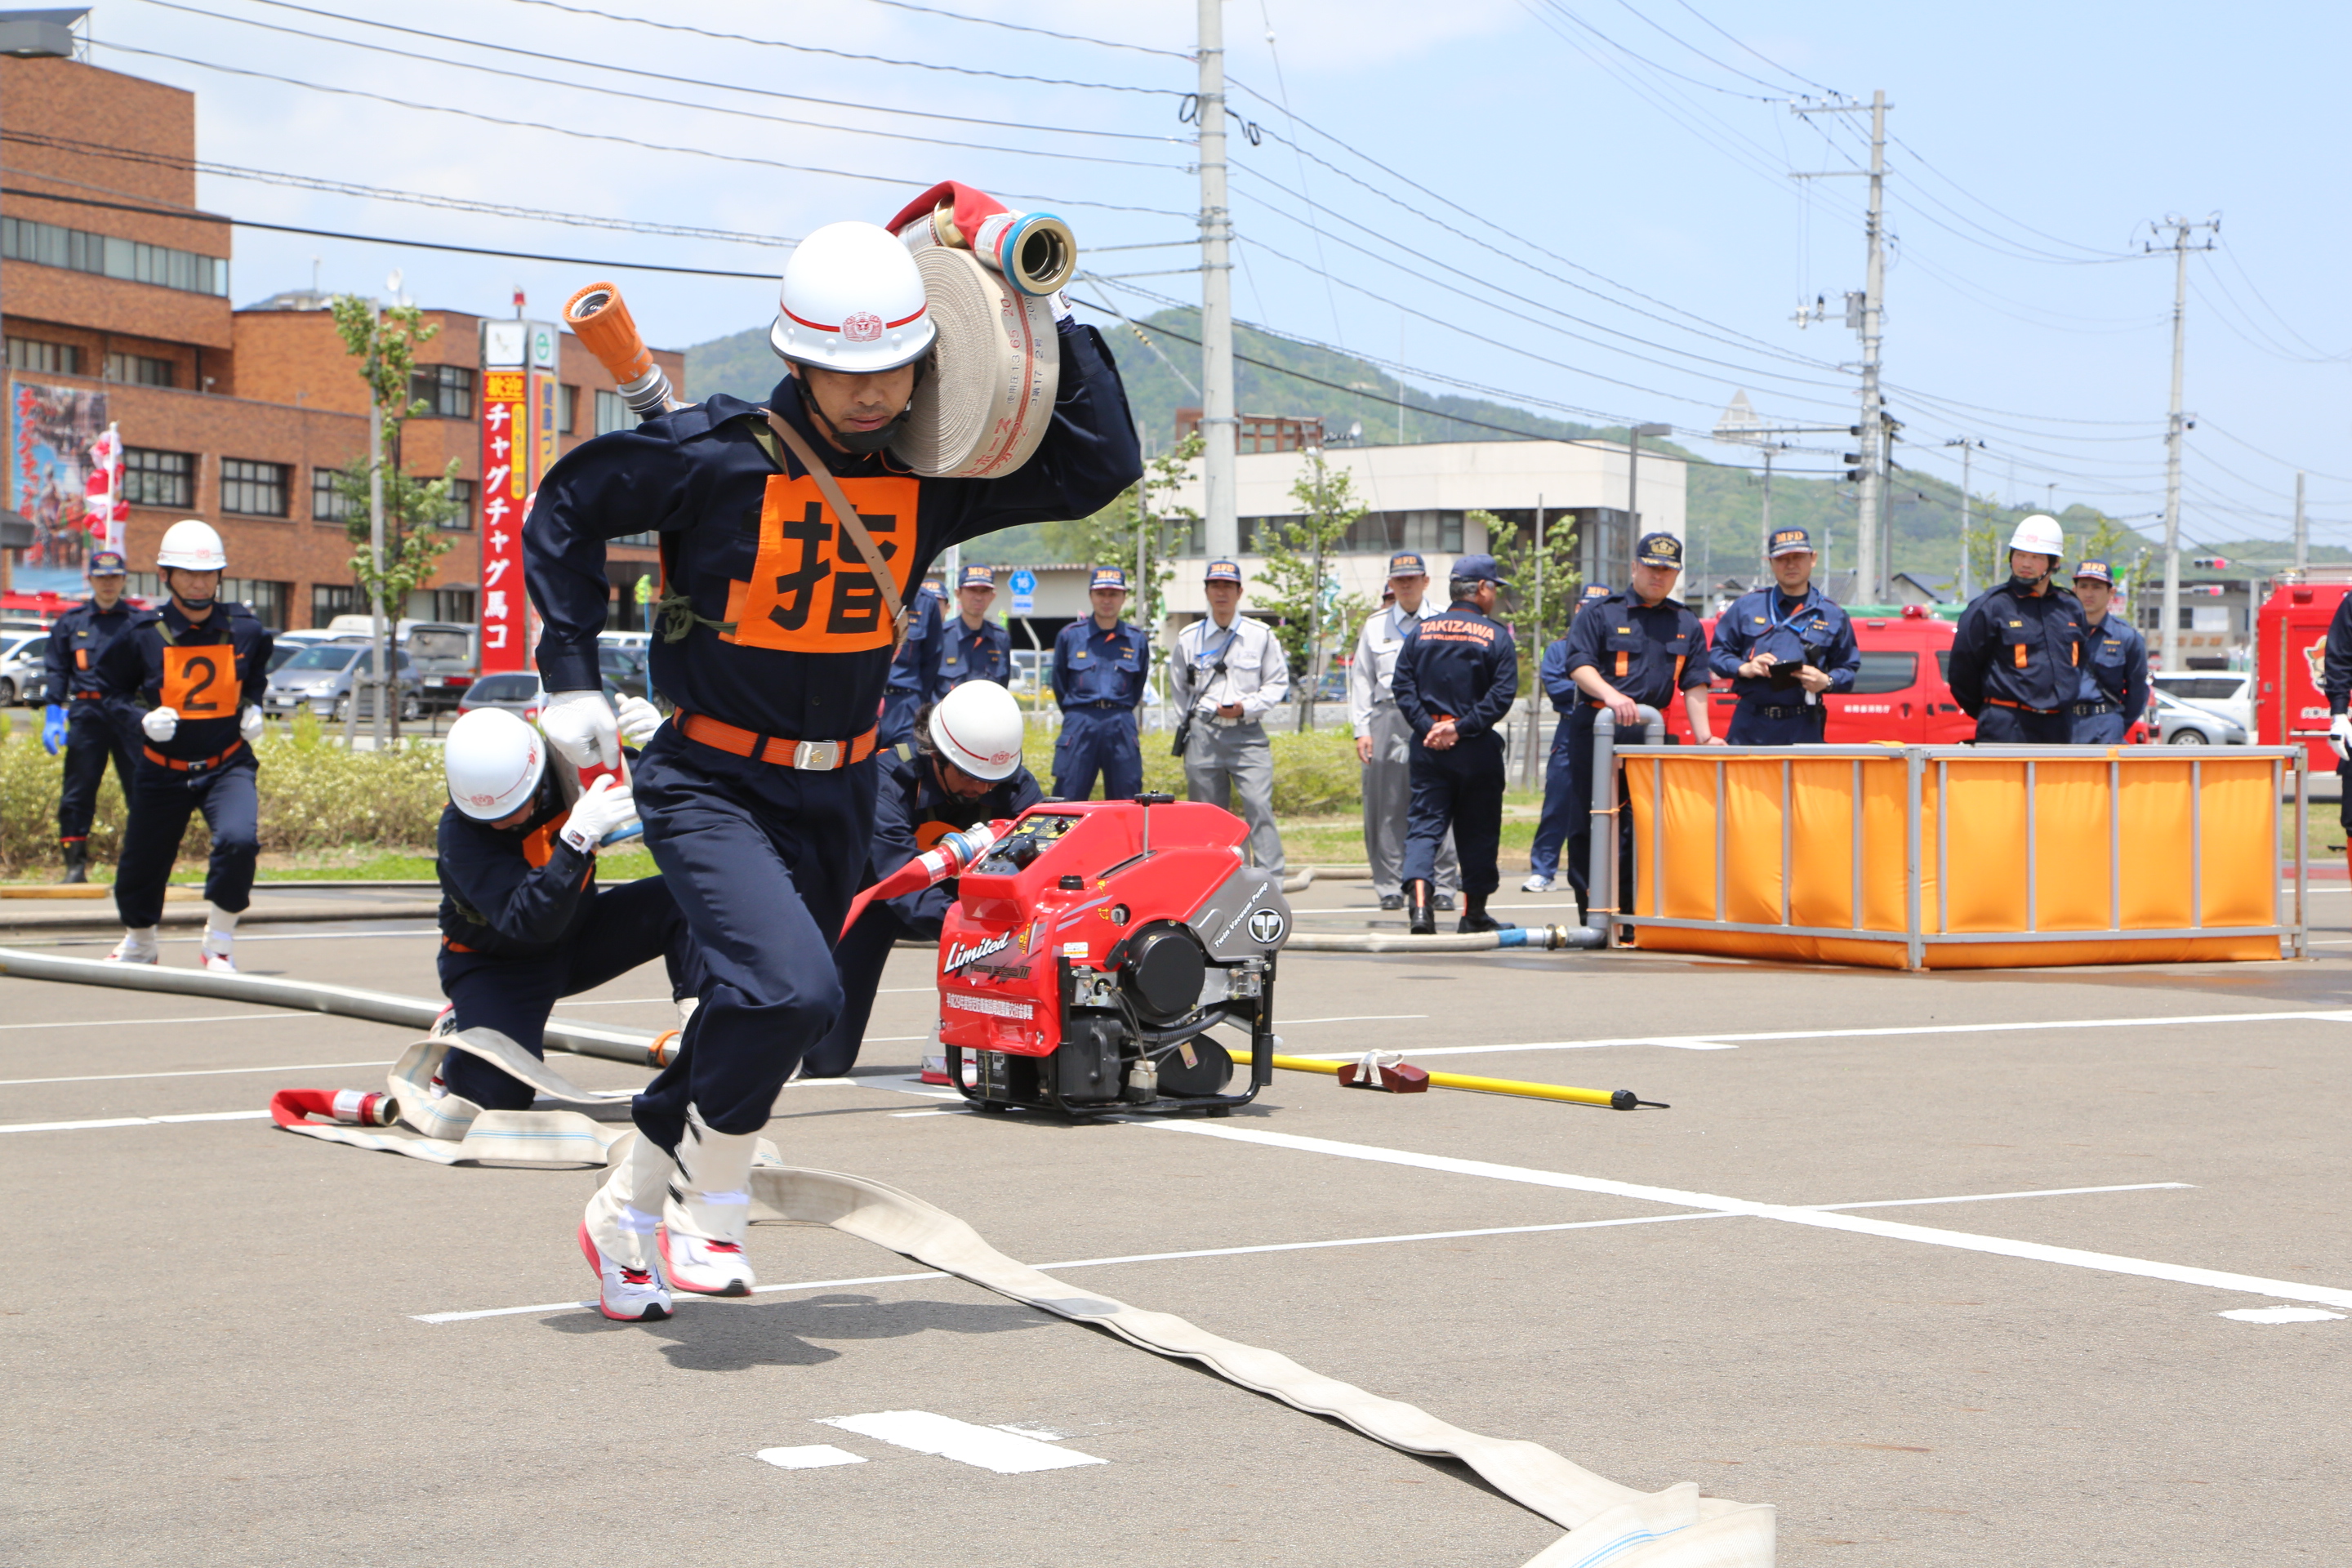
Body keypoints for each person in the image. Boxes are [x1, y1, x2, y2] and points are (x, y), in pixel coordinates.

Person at [532, 215, 1140, 1305]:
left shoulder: (936, 473)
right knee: (792, 987)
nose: (871, 395)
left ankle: (623, 1206)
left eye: (895, 369)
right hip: (711, 777)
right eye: (844, 371)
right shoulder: (711, 453)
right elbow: (567, 507)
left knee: (773, 1009)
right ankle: (708, 1204)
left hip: (840, 786)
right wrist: (569, 671)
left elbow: (1101, 463)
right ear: (795, 357)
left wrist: (1032, 299)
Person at [810, 681, 1044, 1081]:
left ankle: (977, 1040)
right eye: (972, 776)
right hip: (875, 902)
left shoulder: (1013, 784)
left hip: (969, 911)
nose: (983, 789)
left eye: (993, 779)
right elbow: (900, 881)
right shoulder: (887, 780)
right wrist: (967, 931)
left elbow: (1038, 868)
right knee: (825, 1060)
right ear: (937, 755)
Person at [95, 521, 272, 970]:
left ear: (221, 576)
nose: (199, 582)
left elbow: (255, 677)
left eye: (209, 573)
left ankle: (219, 943)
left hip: (226, 763)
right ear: (165, 576)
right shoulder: (140, 633)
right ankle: (139, 941)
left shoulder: (245, 630)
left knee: (239, 841)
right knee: (142, 861)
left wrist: (253, 707)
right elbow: (110, 693)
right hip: (161, 766)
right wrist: (141, 720)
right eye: (188, 573)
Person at [1556, 532, 1720, 920]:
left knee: (1642, 825)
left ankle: (1631, 914)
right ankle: (1590, 912)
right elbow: (1578, 663)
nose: (1658, 576)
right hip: (1598, 729)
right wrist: (1611, 696)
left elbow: (1694, 681)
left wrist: (1705, 735)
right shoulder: (1601, 613)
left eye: (1667, 570)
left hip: (1650, 736)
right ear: (1634, 567)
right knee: (1589, 820)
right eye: (1651, 567)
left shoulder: (1685, 621)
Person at [1392, 555, 1520, 935]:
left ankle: (1420, 911)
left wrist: (1430, 727)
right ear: (1481, 588)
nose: (1494, 595)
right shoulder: (1496, 635)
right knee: (1478, 831)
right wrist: (1461, 728)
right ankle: (1474, 914)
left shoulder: (1421, 631)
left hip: (1428, 748)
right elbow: (1501, 696)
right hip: (1476, 749)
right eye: (1493, 587)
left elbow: (1403, 685)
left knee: (1423, 828)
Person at [1348, 550, 1458, 911]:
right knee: (1388, 807)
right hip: (1389, 717)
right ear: (1391, 584)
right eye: (1400, 579)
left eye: (1413, 578)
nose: (1407, 585)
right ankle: (1391, 885)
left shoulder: (1446, 620)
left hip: (1436, 719)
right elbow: (1361, 680)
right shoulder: (1376, 625)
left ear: (1426, 581)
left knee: (1439, 802)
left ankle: (1443, 884)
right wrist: (1362, 729)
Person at [1169, 559, 1288, 876]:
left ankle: (1271, 881)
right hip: (1204, 737)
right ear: (1206, 591)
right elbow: (1178, 688)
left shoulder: (1260, 635)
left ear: (1240, 592)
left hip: (1248, 734)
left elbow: (1277, 682)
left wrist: (1247, 707)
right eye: (1215, 586)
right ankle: (1212, 881)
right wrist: (1198, 721)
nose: (1221, 592)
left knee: (1259, 808)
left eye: (1228, 586)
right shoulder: (1188, 638)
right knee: (1207, 816)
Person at [42, 549, 140, 884]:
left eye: (115, 577)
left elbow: (158, 671)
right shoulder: (72, 622)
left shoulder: (140, 622)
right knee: (78, 791)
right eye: (102, 577)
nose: (108, 584)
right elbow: (57, 670)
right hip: (88, 713)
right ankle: (74, 866)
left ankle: (148, 865)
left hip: (130, 714)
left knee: (143, 790)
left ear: (124, 579)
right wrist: (54, 714)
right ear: (91, 579)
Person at [1708, 526, 1860, 743]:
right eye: (1781, 558)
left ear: (1813, 558)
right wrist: (1745, 668)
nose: (1790, 564)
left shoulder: (1833, 614)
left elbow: (1848, 670)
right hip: (1751, 724)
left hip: (1804, 724)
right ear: (1770, 563)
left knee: (1803, 779)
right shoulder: (1746, 607)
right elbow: (1716, 655)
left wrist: (1826, 681)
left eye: (1798, 557)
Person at [1948, 514, 2086, 745]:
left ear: (2055, 564)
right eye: (2019, 555)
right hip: (2006, 725)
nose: (2025, 564)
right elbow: (1962, 672)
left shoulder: (2070, 608)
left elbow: (2077, 665)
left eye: (2035, 557)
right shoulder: (1990, 607)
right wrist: (1991, 712)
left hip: (2058, 727)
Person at [1050, 565, 1150, 800]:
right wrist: (1081, 712)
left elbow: (1138, 685)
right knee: (1068, 798)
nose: (1107, 600)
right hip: (1080, 721)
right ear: (1091, 596)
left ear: (1124, 597)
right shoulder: (1070, 636)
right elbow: (1059, 683)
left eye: (1113, 594)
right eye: (1101, 594)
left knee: (1127, 797)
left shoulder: (1136, 639)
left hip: (1121, 723)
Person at [2068, 560, 2149, 744]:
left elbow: (2138, 691)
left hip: (2105, 726)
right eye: (2084, 586)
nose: (2089, 593)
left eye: (2097, 587)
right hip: (2065, 724)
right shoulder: (2059, 632)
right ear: (2074, 590)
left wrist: (2117, 722)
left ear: (2111, 592)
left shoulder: (2127, 637)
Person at [877, 574, 947, 746]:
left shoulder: (927, 603)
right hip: (868, 702)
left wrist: (916, 702)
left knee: (904, 761)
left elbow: (931, 661)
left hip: (905, 707)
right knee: (862, 761)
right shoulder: (870, 594)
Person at [933, 563, 1013, 699]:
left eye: (984, 591)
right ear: (958, 594)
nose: (978, 597)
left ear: (992, 596)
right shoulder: (941, 636)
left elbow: (1003, 686)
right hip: (948, 717)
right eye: (972, 590)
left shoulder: (1000, 638)